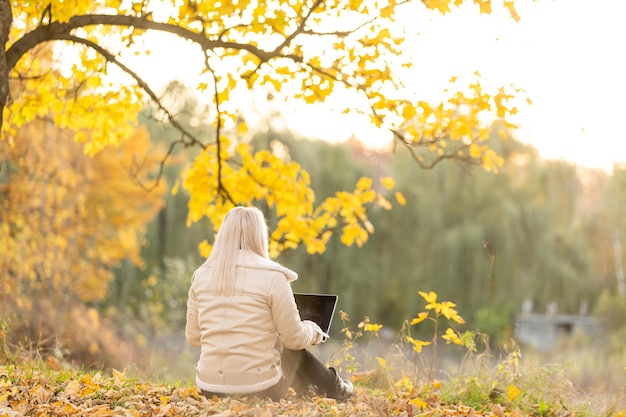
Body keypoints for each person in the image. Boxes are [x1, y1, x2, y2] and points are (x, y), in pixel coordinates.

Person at [185, 206, 354, 402]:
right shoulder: (273, 277)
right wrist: (313, 330)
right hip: (260, 390)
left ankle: (310, 389)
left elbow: (194, 337)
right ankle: (336, 388)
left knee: (282, 346)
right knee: (294, 351)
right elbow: (294, 339)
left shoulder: (201, 277)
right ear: (259, 235)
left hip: (209, 389)